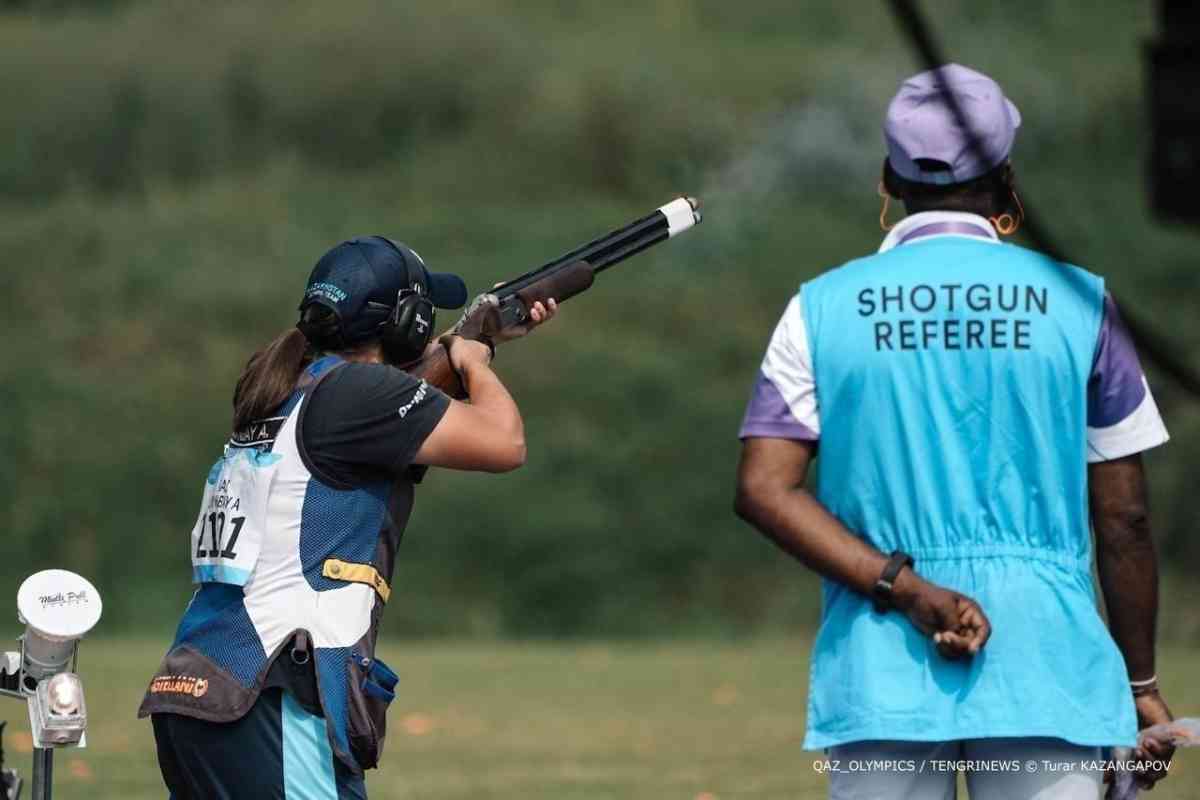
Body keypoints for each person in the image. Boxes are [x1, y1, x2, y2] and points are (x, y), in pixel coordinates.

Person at [734, 64, 1175, 799]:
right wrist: (1140, 683)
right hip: (1048, 663)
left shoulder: (817, 308)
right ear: (1006, 178)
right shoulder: (1082, 304)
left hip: (883, 662)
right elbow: (1123, 518)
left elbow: (763, 489)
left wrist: (905, 590)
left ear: (889, 178)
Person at [138, 236, 557, 799]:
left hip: (203, 688)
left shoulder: (291, 390)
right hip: (269, 696)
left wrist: (471, 344)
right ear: (406, 321)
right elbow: (505, 442)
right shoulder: (357, 393)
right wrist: (474, 361)